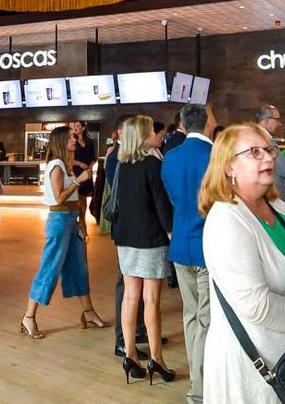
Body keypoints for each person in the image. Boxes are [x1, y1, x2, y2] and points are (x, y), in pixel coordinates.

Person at [199, 122, 285, 403]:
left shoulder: (277, 206)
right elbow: (255, 304)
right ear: (229, 167)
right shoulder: (227, 218)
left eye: (269, 150)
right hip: (257, 367)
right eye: (254, 152)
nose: (269, 157)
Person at [19, 126, 107, 339]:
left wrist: (79, 222)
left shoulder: (66, 164)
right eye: (69, 137)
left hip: (70, 221)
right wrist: (79, 180)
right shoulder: (56, 165)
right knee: (49, 268)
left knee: (78, 268)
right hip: (58, 222)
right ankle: (28, 317)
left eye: (73, 136)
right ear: (60, 141)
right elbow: (59, 197)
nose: (74, 139)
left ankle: (88, 312)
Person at [112, 115, 176, 383]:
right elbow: (162, 206)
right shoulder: (152, 164)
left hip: (125, 238)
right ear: (143, 135)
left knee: (130, 296)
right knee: (151, 300)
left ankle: (129, 355)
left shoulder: (122, 165)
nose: (155, 133)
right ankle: (157, 359)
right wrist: (172, 234)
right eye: (151, 130)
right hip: (151, 238)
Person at [161, 103, 215, 404]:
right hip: (210, 246)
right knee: (207, 320)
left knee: (191, 317)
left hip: (181, 245)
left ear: (182, 123)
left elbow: (173, 200)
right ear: (208, 123)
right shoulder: (216, 156)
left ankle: (198, 383)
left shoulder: (169, 159)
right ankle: (200, 390)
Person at [254, 103, 285, 201]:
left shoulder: (249, 137)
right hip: (274, 198)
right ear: (266, 120)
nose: (279, 124)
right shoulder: (268, 141)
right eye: (276, 119)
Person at [70, 120, 97, 221]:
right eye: (74, 126)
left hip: (87, 173)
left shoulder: (90, 141)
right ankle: (80, 223)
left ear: (83, 128)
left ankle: (83, 221)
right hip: (76, 173)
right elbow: (69, 160)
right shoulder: (72, 142)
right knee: (78, 198)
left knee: (84, 199)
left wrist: (90, 167)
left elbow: (93, 158)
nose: (75, 128)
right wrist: (80, 164)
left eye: (77, 126)